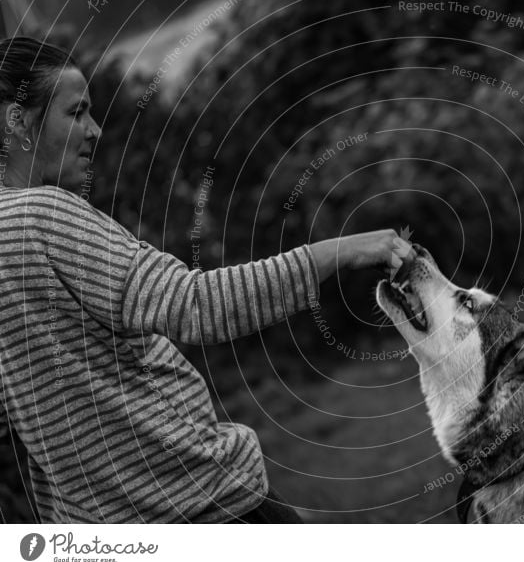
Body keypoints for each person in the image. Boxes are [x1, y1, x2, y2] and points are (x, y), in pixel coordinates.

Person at [0, 36, 411, 523]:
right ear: (17, 121)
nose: (95, 130)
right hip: (201, 502)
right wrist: (337, 252)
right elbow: (195, 305)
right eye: (76, 112)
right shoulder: (41, 215)